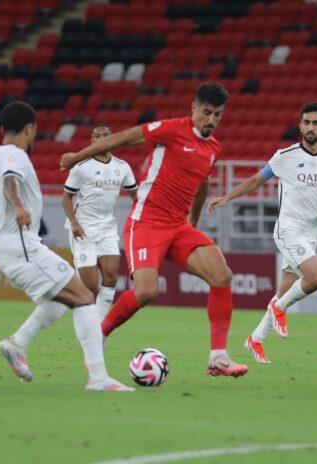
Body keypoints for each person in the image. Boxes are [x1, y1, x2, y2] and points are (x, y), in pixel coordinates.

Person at [60, 82, 248, 377]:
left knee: (221, 275)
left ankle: (218, 358)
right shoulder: (172, 129)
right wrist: (78, 156)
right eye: (207, 113)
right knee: (147, 291)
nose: (211, 120)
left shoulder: (214, 149)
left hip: (177, 227)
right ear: (194, 108)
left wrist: (192, 224)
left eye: (218, 115)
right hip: (146, 222)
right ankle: (98, 337)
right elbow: (123, 138)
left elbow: (202, 186)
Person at [0, 101, 133, 392]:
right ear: (30, 128)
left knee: (64, 297)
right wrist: (17, 207)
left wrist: (5, 224)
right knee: (84, 296)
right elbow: (11, 181)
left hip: (6, 246)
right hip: (22, 247)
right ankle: (99, 378)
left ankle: (17, 343)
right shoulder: (15, 156)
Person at [208, 102, 317, 363]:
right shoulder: (285, 155)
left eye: (315, 123)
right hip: (288, 229)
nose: (310, 127)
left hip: (312, 234)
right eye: (306, 122)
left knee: (286, 290)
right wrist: (228, 198)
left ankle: (255, 340)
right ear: (300, 125)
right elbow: (257, 179)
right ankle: (278, 309)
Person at [62, 123, 138, 318]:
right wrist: (74, 223)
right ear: (92, 140)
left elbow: (135, 195)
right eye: (97, 136)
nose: (102, 139)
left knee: (111, 276)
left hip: (107, 227)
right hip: (83, 227)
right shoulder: (81, 167)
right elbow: (66, 197)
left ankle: (98, 326)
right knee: (91, 285)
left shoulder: (122, 167)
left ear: (114, 139)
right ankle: (70, 285)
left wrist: (143, 215)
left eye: (106, 135)